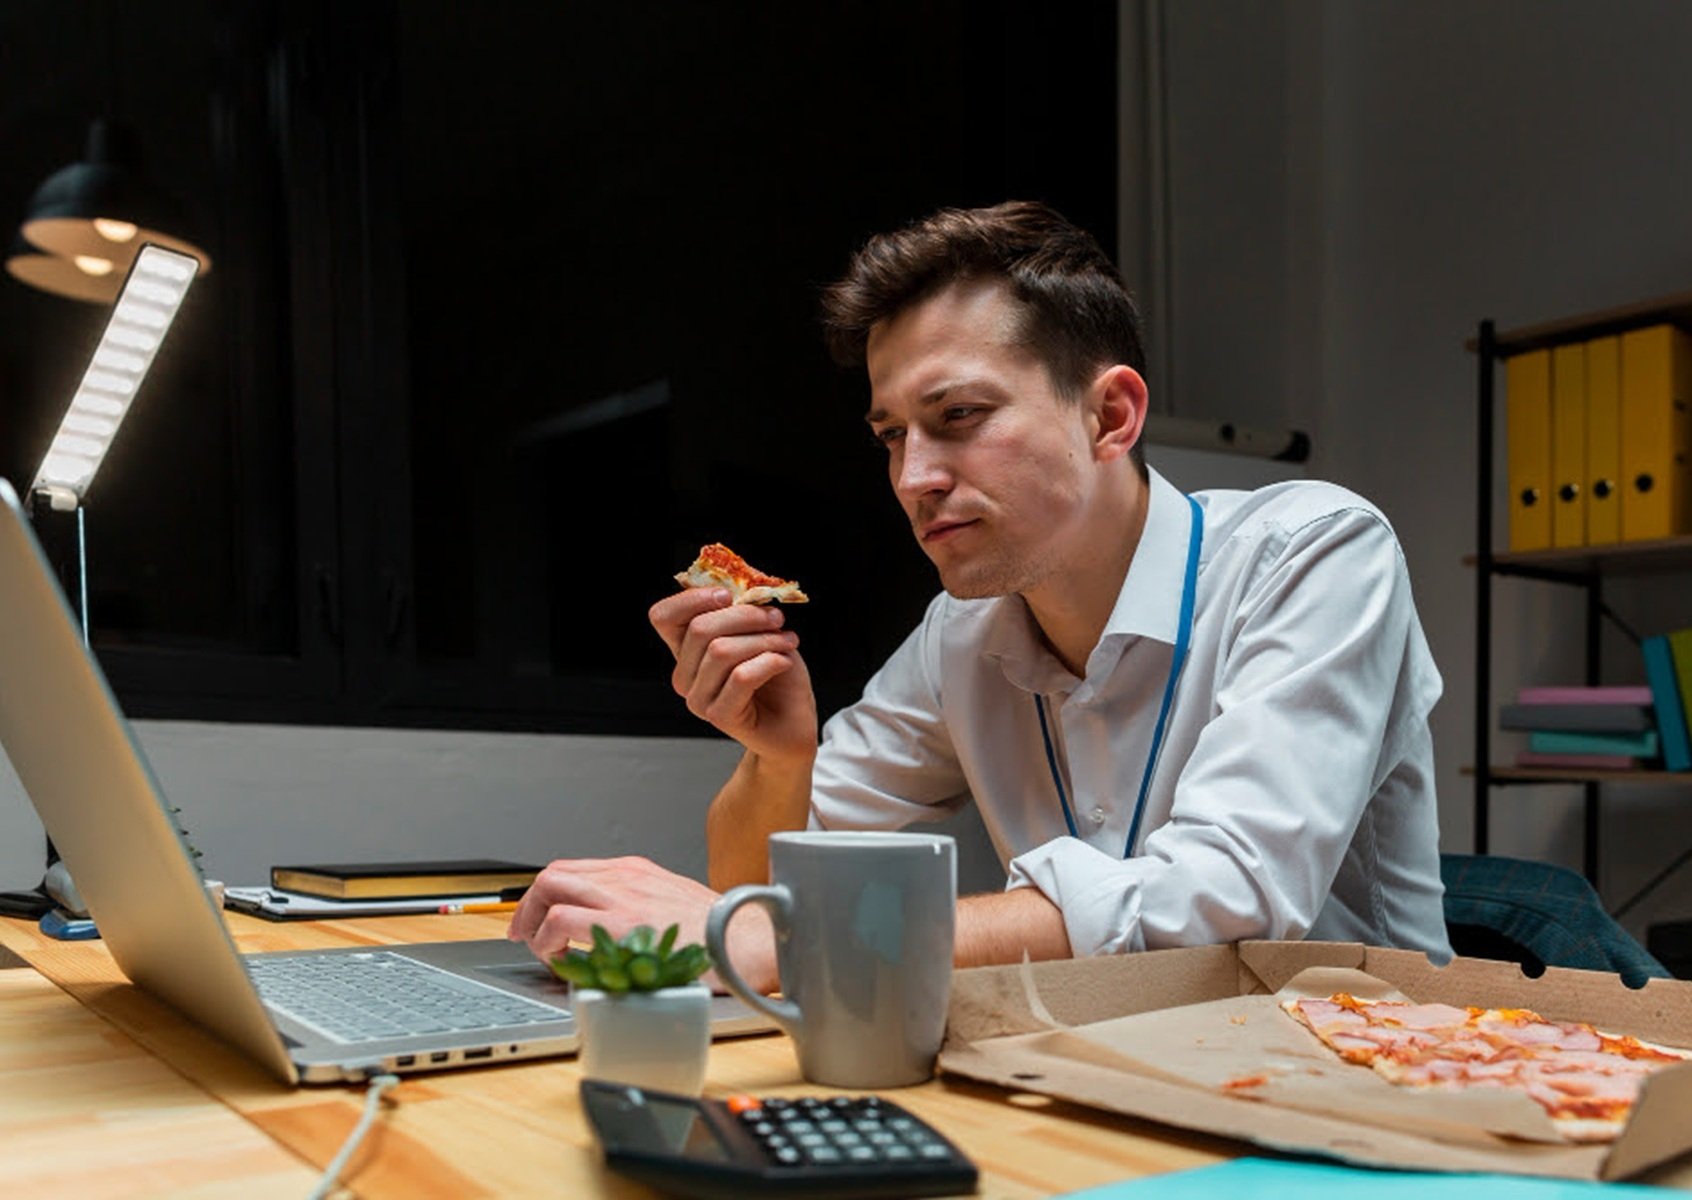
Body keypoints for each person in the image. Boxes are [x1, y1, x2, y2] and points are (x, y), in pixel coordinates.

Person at [508, 200, 1452, 988]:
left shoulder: (1315, 552)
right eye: (890, 435)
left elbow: (1227, 896)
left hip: (1355, 1066)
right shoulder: (962, 631)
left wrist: (778, 942)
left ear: (1109, 414)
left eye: (959, 416)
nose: (914, 477)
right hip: (1099, 1066)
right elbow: (756, 899)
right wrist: (780, 761)